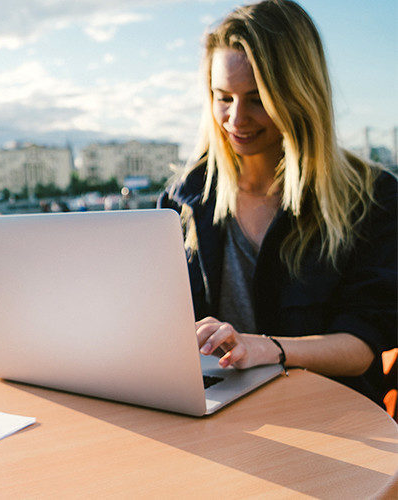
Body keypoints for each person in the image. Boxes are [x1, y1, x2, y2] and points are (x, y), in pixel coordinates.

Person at [158, 0, 396, 406]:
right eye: (223, 97)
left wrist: (268, 348)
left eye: (256, 98)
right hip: (215, 418)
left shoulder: (370, 197)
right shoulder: (184, 197)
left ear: (300, 95)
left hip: (333, 417)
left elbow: (360, 347)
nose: (235, 119)